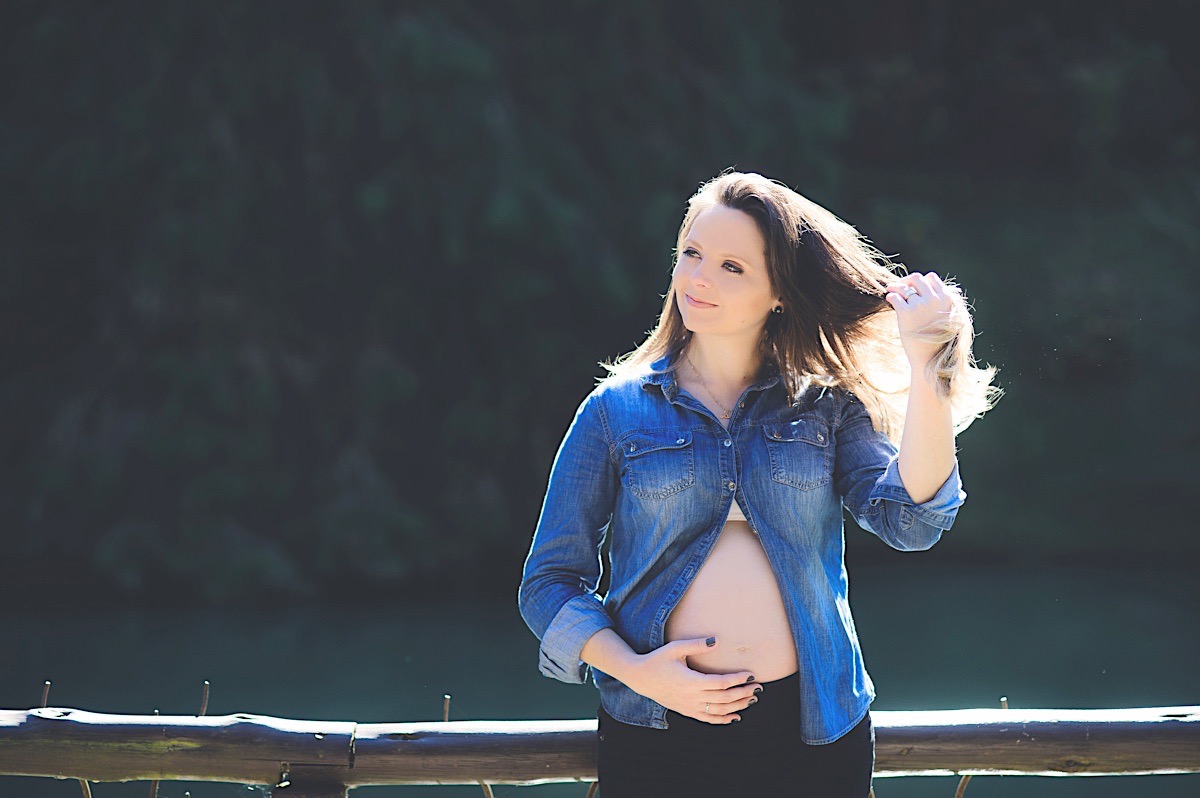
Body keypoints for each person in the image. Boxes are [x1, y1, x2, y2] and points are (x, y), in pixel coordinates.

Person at [518, 170, 1000, 797]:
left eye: (731, 266)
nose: (699, 278)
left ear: (779, 292)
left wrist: (929, 367)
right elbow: (549, 582)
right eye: (691, 253)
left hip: (814, 735)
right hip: (658, 732)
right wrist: (638, 673)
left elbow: (910, 522)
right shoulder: (614, 412)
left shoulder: (827, 408)